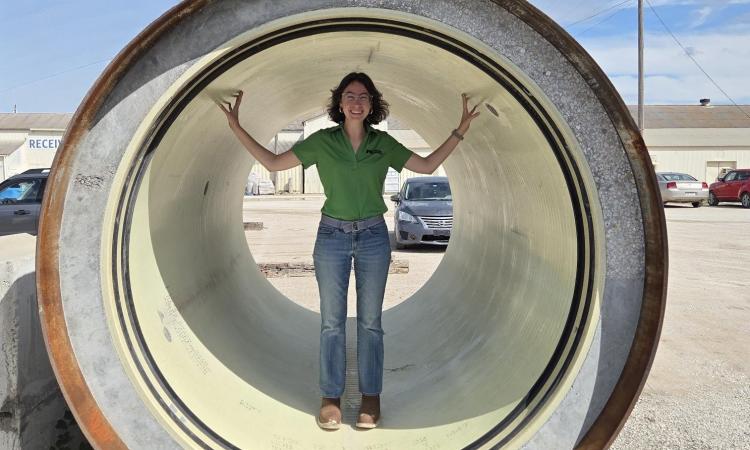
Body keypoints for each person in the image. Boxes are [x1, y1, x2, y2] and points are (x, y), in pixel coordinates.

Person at [218, 72, 479, 430]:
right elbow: (274, 164)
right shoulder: (322, 142)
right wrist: (236, 128)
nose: (357, 102)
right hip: (332, 238)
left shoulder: (382, 144)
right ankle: (331, 396)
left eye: (364, 97)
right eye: (350, 96)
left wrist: (460, 129)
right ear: (339, 104)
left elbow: (427, 165)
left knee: (371, 323)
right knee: (331, 323)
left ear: (372, 105)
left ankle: (371, 397)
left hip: (373, 237)